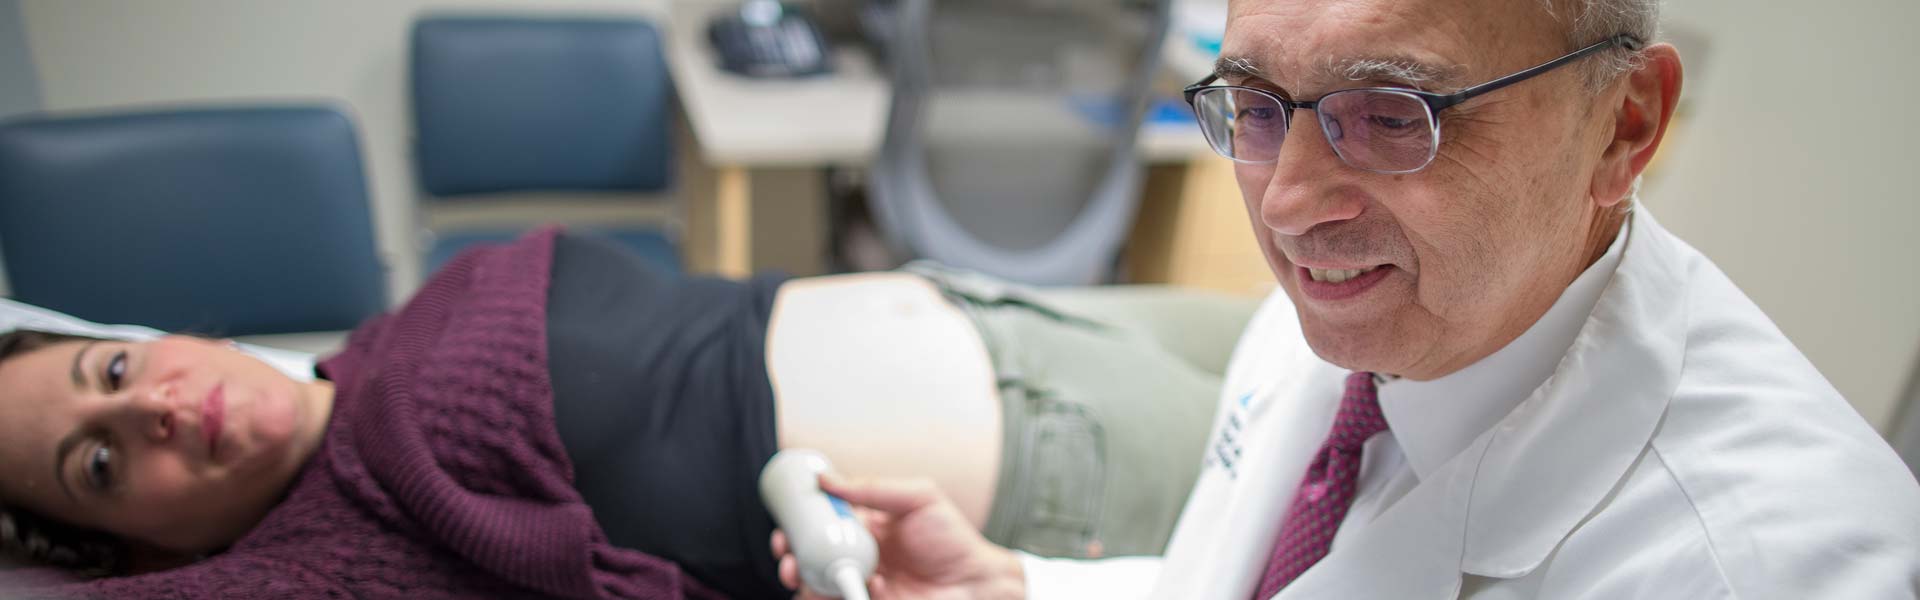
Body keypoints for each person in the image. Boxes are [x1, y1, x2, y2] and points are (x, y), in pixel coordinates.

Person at [771, 0, 1920, 598]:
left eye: (1393, 115)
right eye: (1256, 104)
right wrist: (1022, 589)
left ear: (1623, 127)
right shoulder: (1397, 300)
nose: (1286, 206)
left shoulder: (1765, 571)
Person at [0, 229, 1254, 599]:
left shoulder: (376, 351)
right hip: (1047, 493)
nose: (156, 409)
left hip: (1046, 315)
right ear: (135, 553)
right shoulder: (336, 550)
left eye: (110, 377)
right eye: (98, 467)